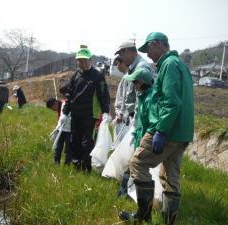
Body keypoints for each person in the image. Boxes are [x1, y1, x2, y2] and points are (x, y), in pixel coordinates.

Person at [119, 32, 194, 225]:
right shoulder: (181, 66)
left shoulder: (169, 65)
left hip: (168, 128)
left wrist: (160, 131)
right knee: (170, 175)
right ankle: (168, 221)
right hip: (182, 132)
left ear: (157, 45)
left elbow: (171, 102)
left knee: (138, 162)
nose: (148, 55)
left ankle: (143, 216)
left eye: (148, 50)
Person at [114, 41, 155, 197]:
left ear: (130, 52)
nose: (121, 59)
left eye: (122, 54)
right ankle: (128, 192)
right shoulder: (133, 68)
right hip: (134, 120)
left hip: (140, 121)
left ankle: (128, 193)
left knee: (135, 160)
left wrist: (136, 123)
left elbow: (144, 99)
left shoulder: (142, 68)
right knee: (132, 159)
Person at [62, 46, 111, 172]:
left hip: (90, 114)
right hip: (75, 113)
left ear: (90, 60)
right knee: (74, 140)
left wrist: (105, 111)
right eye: (80, 61)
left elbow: (103, 93)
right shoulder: (75, 75)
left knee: (87, 141)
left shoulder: (97, 75)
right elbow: (69, 94)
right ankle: (76, 164)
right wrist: (65, 112)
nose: (82, 63)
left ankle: (86, 166)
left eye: (85, 60)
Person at [46, 96, 72, 165]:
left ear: (55, 103)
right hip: (61, 129)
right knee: (58, 147)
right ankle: (56, 163)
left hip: (69, 130)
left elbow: (66, 118)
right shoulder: (59, 106)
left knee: (68, 149)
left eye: (52, 108)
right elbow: (60, 120)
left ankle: (67, 165)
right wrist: (56, 129)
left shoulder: (65, 104)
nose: (53, 110)